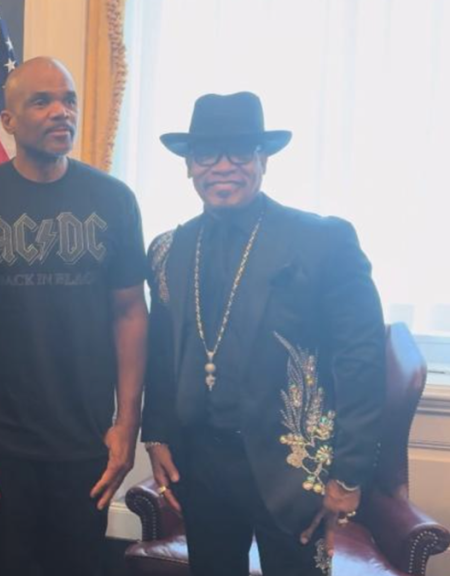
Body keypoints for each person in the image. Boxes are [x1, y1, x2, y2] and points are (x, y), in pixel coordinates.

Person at [142, 92, 386, 576]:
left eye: (241, 152)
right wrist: (157, 433)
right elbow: (163, 349)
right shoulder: (169, 248)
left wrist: (350, 473)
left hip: (294, 471)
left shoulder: (323, 241)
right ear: (189, 165)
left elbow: (361, 359)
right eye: (208, 154)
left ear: (264, 159)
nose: (224, 167)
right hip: (202, 463)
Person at [0, 57, 148, 576]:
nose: (62, 112)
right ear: (8, 121)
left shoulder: (114, 200)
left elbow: (129, 312)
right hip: (1, 447)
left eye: (69, 99)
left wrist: (127, 424)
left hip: (86, 444)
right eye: (42, 101)